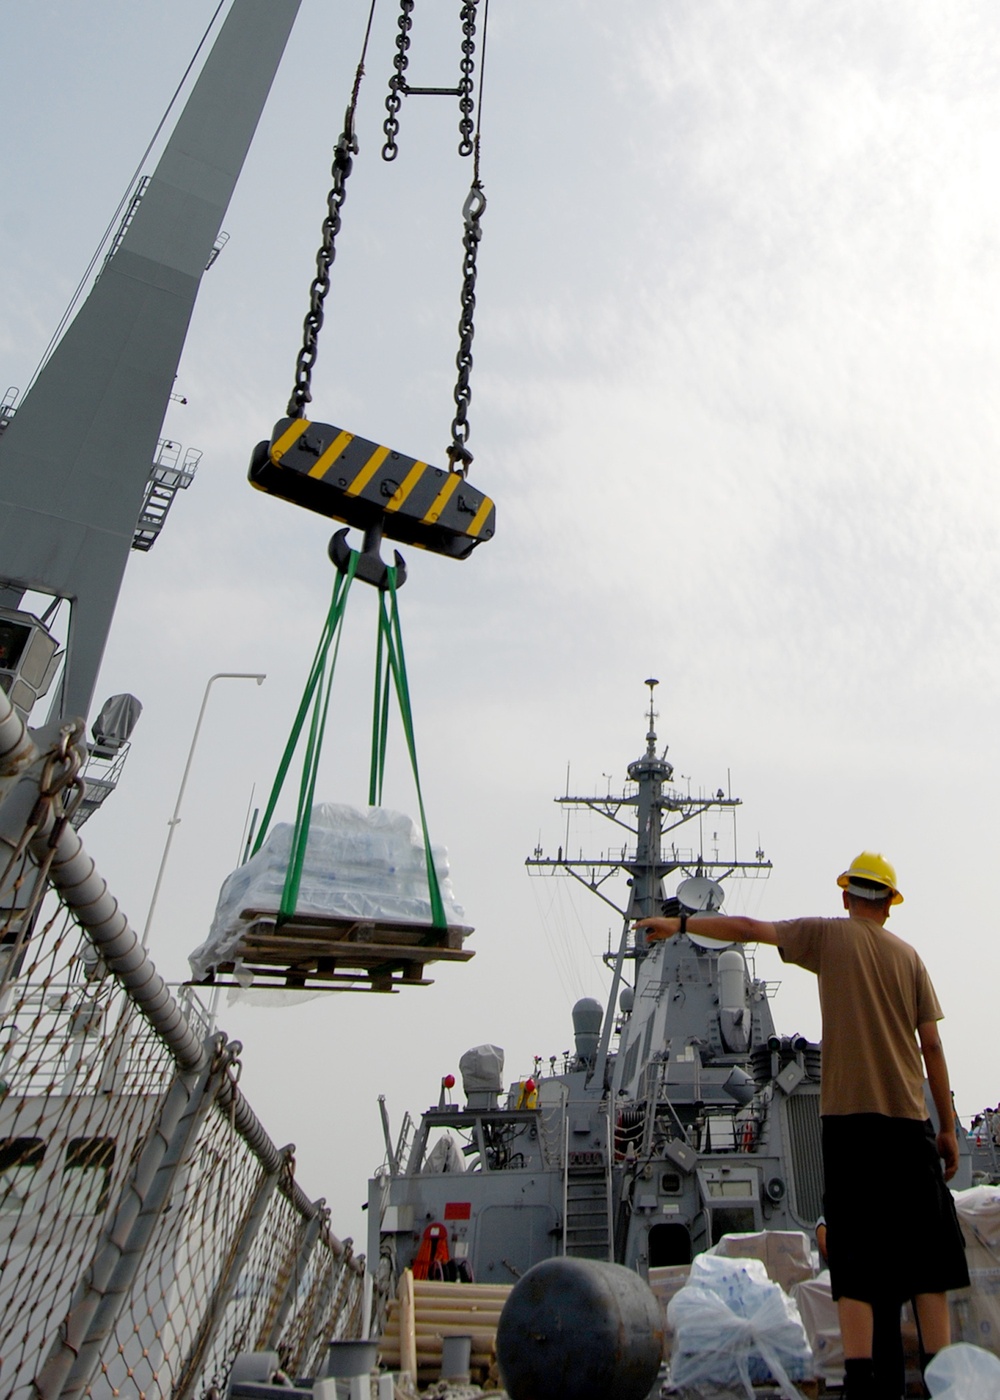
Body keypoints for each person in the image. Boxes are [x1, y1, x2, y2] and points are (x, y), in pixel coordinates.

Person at [635, 851, 969, 1400]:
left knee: (858, 1260)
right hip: (909, 1126)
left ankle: (860, 1386)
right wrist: (947, 1127)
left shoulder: (827, 937)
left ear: (846, 897)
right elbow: (930, 1044)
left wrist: (680, 923)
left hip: (849, 1127)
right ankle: (944, 1383)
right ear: (889, 903)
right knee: (928, 1260)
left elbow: (748, 929)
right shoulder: (910, 958)